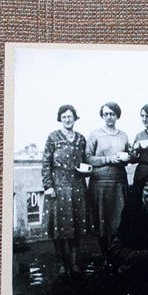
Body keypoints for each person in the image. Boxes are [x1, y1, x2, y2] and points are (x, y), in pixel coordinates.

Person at [41, 104, 91, 276]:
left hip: (77, 186)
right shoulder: (53, 138)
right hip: (58, 187)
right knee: (59, 227)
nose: (67, 120)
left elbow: (85, 161)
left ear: (75, 118)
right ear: (60, 119)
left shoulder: (81, 139)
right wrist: (48, 186)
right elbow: (46, 163)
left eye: (70, 116)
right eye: (64, 117)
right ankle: (62, 263)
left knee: (76, 226)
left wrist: (86, 170)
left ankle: (75, 262)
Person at [85, 101, 130, 265]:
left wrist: (129, 157)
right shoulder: (95, 134)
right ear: (102, 116)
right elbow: (88, 157)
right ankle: (105, 256)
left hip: (119, 182)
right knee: (102, 221)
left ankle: (117, 255)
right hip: (100, 183)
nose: (109, 117)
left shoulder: (123, 135)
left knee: (119, 221)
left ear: (117, 115)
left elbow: (127, 156)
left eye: (112, 114)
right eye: (106, 114)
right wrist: (109, 159)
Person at [108, 179, 148, 273]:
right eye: (147, 190)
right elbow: (127, 236)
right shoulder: (131, 207)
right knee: (145, 257)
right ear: (141, 190)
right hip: (126, 246)